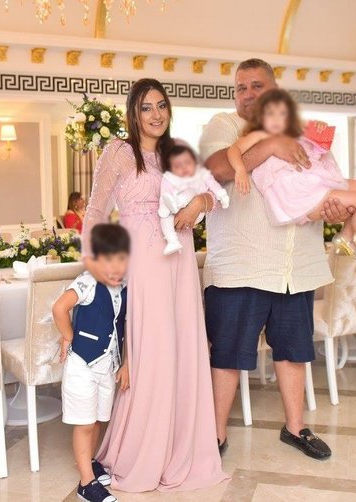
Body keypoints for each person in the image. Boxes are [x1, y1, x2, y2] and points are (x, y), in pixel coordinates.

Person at [200, 58, 353, 460]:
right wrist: (269, 145)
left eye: (257, 85)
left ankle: (295, 427)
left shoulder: (299, 131)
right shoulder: (224, 126)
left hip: (294, 266)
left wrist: (334, 209)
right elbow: (217, 171)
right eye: (241, 87)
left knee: (293, 350)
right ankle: (215, 434)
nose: (248, 94)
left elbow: (321, 186)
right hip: (241, 266)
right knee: (228, 354)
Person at [81, 78, 228, 492]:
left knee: (183, 346)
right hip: (143, 261)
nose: (156, 114)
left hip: (180, 257)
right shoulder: (119, 151)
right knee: (151, 350)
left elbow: (211, 194)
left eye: (161, 105)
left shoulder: (176, 150)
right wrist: (95, 265)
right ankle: (143, 448)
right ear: (133, 112)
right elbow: (94, 211)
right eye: (146, 107)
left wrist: (198, 203)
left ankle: (181, 444)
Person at [227, 88, 356, 266]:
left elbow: (319, 146)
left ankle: (346, 236)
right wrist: (240, 170)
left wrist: (318, 130)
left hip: (311, 181)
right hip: (296, 192)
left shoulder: (294, 132)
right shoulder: (260, 133)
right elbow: (234, 150)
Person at [52, 223, 130, 502]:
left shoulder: (124, 287)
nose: (116, 266)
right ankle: (86, 483)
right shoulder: (87, 282)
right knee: (84, 423)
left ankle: (89, 461)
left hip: (107, 365)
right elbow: (60, 308)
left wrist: (126, 362)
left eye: (121, 259)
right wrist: (68, 336)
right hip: (83, 365)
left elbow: (125, 326)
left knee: (97, 420)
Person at [159, 144, 230, 255]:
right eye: (177, 166)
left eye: (187, 163)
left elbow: (213, 185)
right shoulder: (171, 179)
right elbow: (164, 193)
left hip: (194, 210)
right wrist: (163, 207)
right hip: (174, 213)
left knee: (189, 192)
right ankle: (172, 241)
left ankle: (175, 205)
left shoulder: (201, 175)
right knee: (165, 217)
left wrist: (222, 195)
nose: (184, 168)